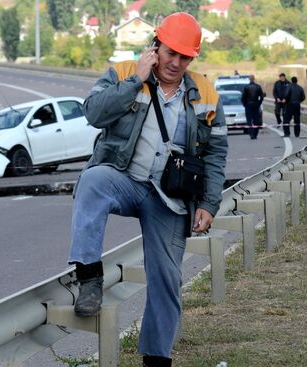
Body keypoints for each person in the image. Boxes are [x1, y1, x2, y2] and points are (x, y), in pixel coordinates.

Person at [67, 12, 228, 367]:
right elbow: (93, 113)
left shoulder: (205, 92)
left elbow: (216, 153)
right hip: (125, 179)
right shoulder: (124, 73)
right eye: (171, 53)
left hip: (169, 198)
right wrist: (135, 80)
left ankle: (156, 360)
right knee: (92, 180)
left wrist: (209, 204)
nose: (176, 62)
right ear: (156, 45)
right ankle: (89, 278)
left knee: (167, 280)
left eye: (185, 57)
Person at [241, 74, 265, 139]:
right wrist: (259, 103)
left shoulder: (246, 87)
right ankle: (255, 134)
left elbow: (243, 97)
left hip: (248, 105)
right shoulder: (258, 86)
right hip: (256, 105)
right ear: (254, 79)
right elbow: (262, 96)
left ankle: (251, 134)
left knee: (249, 120)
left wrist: (245, 104)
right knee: (256, 120)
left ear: (249, 79)